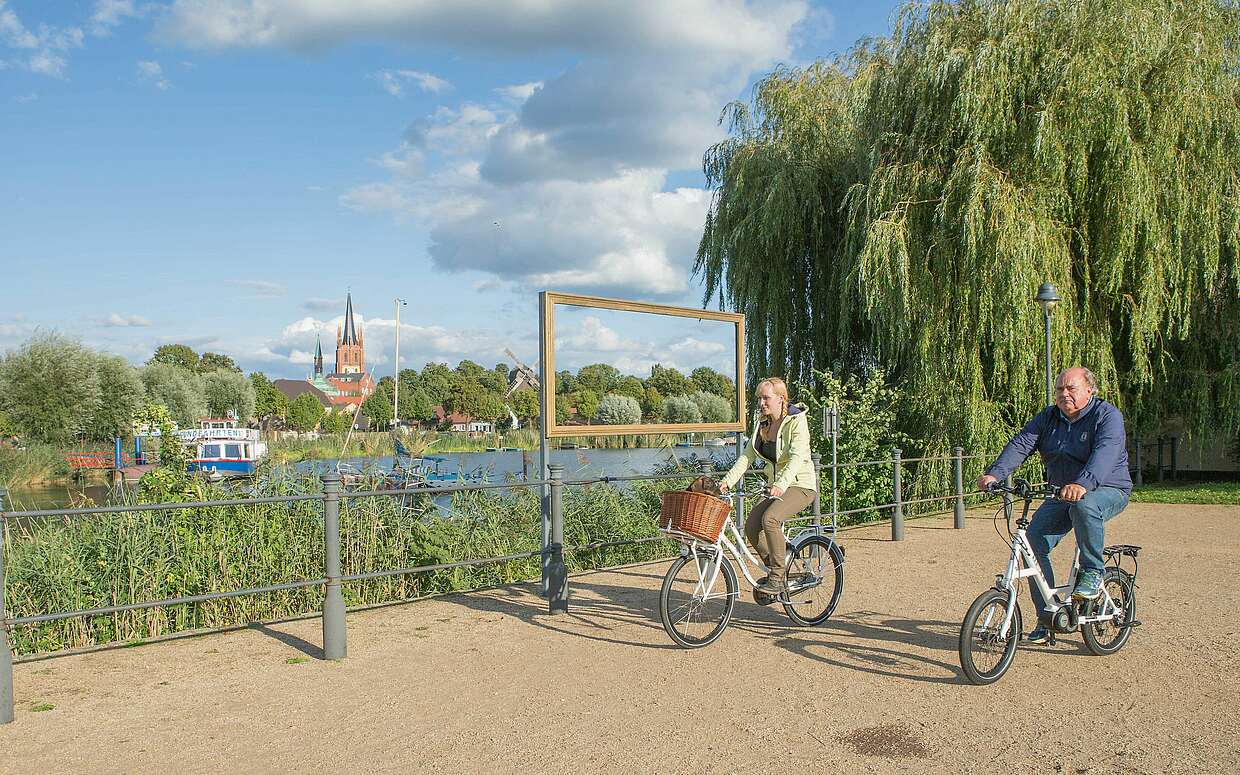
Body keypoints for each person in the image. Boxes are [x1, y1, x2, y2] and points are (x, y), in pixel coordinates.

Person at [977, 366, 1131, 644]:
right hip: (1062, 493)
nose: (1064, 394)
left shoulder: (1107, 416)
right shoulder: (1048, 417)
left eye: (1070, 388)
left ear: (1089, 391)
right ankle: (1047, 617)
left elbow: (1105, 454)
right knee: (1032, 542)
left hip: (1107, 488)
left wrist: (1083, 483)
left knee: (1084, 506)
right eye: (1060, 389)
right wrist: (995, 473)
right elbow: (1022, 443)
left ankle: (1093, 571)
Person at [719, 377, 818, 598]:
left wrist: (781, 485)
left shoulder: (796, 421)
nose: (761, 403)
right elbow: (747, 456)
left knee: (770, 519)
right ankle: (781, 566)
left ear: (781, 398)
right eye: (759, 399)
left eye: (766, 398)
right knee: (752, 527)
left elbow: (796, 458)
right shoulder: (762, 424)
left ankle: (777, 576)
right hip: (777, 486)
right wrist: (726, 482)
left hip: (800, 485)